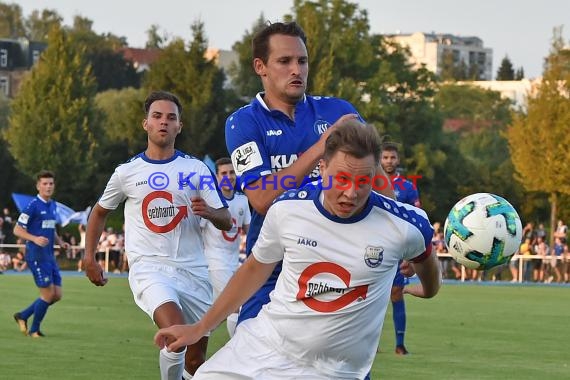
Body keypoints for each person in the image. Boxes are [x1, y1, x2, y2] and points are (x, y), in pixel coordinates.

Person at [155, 120, 441, 379]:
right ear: (323, 168)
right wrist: (200, 327)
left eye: (363, 182)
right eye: (342, 179)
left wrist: (426, 288)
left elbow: (426, 264)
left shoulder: (405, 225)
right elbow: (254, 268)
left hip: (336, 370)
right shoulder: (288, 208)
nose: (351, 193)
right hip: (265, 345)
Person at [224, 21, 394, 332]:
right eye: (284, 61)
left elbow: (383, 190)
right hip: (270, 271)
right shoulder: (243, 123)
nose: (296, 70)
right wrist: (321, 146)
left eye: (302, 61)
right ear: (260, 67)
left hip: (334, 268)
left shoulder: (339, 111)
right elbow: (261, 199)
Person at [84, 90, 232, 380]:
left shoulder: (196, 169)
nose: (164, 122)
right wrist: (90, 257)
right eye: (157, 116)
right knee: (175, 335)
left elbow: (226, 220)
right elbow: (99, 212)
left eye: (171, 117)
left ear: (179, 126)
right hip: (149, 269)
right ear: (146, 124)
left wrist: (211, 213)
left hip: (194, 271)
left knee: (195, 360)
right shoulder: (127, 172)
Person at [12, 170, 70, 337]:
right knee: (47, 294)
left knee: (56, 295)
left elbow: (51, 228)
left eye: (51, 183)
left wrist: (60, 242)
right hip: (36, 256)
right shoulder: (32, 206)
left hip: (49, 256)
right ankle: (34, 330)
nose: (48, 186)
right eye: (44, 183)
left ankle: (22, 316)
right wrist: (34, 238)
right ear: (38, 186)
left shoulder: (52, 204)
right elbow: (17, 229)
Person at [200, 157, 251, 337]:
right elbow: (197, 232)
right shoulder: (210, 201)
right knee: (236, 305)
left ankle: (191, 341)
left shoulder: (243, 200)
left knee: (214, 315)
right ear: (217, 176)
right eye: (224, 173)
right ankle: (237, 351)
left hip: (234, 263)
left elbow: (250, 232)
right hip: (214, 262)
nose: (228, 176)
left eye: (231, 172)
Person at [379, 142, 421, 355]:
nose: (389, 161)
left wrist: (410, 254)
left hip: (396, 248)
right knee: (367, 296)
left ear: (398, 160)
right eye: (385, 157)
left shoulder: (407, 187)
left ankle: (399, 344)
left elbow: (415, 219)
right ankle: (369, 343)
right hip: (371, 245)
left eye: (392, 157)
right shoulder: (368, 182)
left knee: (396, 293)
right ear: (379, 159)